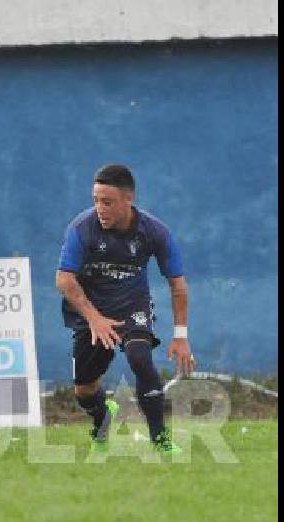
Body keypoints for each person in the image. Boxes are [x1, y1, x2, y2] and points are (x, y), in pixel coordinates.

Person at [55, 163, 195, 454]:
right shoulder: (82, 228)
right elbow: (64, 279)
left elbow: (178, 285)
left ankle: (160, 440)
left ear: (128, 199)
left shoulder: (154, 232)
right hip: (91, 311)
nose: (99, 209)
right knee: (84, 390)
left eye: (107, 202)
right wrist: (94, 318)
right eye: (95, 200)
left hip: (132, 306)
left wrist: (180, 335)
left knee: (140, 358)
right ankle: (103, 414)